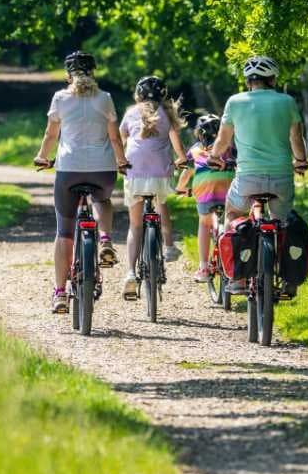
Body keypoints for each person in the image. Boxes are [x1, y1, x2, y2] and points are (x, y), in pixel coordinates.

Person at [33, 51, 129, 315]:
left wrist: (42, 156)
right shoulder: (105, 99)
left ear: (68, 75)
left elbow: (51, 134)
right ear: (93, 72)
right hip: (103, 171)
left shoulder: (61, 98)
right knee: (103, 199)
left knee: (64, 232)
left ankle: (60, 294)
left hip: (69, 170)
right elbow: (114, 139)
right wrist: (121, 161)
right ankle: (106, 239)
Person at [210, 56, 308, 280]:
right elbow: (296, 136)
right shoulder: (287, 102)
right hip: (281, 176)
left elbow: (223, 139)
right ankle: (288, 280)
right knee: (283, 223)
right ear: (272, 79)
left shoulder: (235, 102)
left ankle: (237, 277)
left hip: (247, 178)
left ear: (248, 81)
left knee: (233, 212)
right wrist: (301, 161)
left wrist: (214, 157)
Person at [118, 75, 185, 300]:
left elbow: (122, 139)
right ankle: (168, 246)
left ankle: (130, 273)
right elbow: (177, 145)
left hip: (134, 172)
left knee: (135, 226)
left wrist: (121, 160)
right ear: (163, 95)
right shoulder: (167, 115)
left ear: (138, 95)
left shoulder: (130, 113)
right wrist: (182, 158)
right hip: (160, 172)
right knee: (161, 203)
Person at [175, 113, 234, 281]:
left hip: (205, 193)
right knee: (231, 221)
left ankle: (203, 267)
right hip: (227, 192)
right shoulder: (228, 148)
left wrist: (180, 189)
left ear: (199, 133)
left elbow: (186, 173)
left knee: (204, 223)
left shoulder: (194, 150)